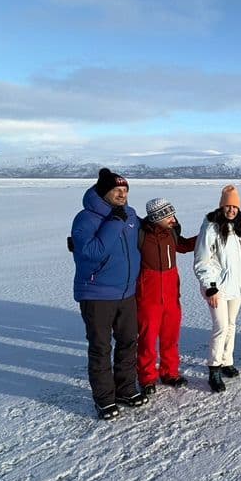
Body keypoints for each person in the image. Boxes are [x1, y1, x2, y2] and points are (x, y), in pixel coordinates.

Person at [70, 168, 149, 420]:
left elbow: (139, 243)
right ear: (104, 192)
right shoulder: (86, 219)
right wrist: (114, 222)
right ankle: (104, 399)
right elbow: (92, 252)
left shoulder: (131, 215)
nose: (122, 194)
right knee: (101, 347)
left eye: (125, 190)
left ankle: (126, 389)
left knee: (128, 342)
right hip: (97, 294)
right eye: (117, 190)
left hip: (126, 292)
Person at [136, 198, 197, 394]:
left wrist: (207, 235)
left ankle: (170, 373)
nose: (173, 218)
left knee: (170, 337)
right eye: (168, 215)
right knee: (147, 340)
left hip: (171, 296)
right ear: (157, 218)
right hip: (148, 298)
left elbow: (185, 246)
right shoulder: (141, 235)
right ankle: (147, 378)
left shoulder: (171, 233)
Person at [193, 184, 241, 392]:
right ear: (221, 206)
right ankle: (214, 368)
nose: (232, 210)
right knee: (221, 326)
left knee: (231, 325)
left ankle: (226, 361)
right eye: (228, 206)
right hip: (217, 288)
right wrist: (210, 287)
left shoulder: (237, 227)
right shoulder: (211, 227)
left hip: (235, 286)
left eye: (235, 207)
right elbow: (202, 260)